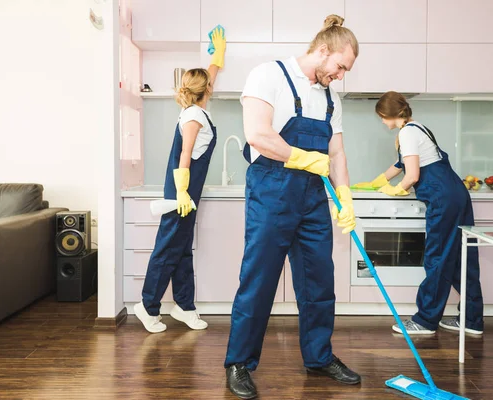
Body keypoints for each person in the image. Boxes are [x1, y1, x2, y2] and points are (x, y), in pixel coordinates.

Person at [224, 15, 361, 400]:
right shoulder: (269, 75)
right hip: (273, 190)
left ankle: (319, 357)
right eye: (339, 66)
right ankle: (239, 362)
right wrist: (302, 158)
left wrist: (345, 194)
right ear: (322, 50)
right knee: (260, 279)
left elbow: (336, 151)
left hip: (314, 198)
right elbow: (258, 134)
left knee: (319, 281)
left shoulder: (331, 97)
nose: (340, 75)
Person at [354, 91, 484, 336]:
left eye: (381, 117)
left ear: (388, 114)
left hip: (442, 198)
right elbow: (402, 164)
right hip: (455, 194)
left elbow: (412, 175)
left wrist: (396, 190)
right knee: (460, 259)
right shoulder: (418, 128)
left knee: (437, 258)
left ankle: (425, 320)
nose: (381, 122)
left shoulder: (407, 133)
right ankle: (472, 319)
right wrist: (376, 181)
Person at [133, 27, 226, 334]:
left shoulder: (197, 109)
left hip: (187, 191)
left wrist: (219, 54)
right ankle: (147, 306)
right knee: (168, 249)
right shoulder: (193, 117)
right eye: (210, 83)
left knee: (183, 248)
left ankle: (184, 306)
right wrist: (183, 191)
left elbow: (208, 77)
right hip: (181, 192)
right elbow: (185, 155)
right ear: (206, 90)